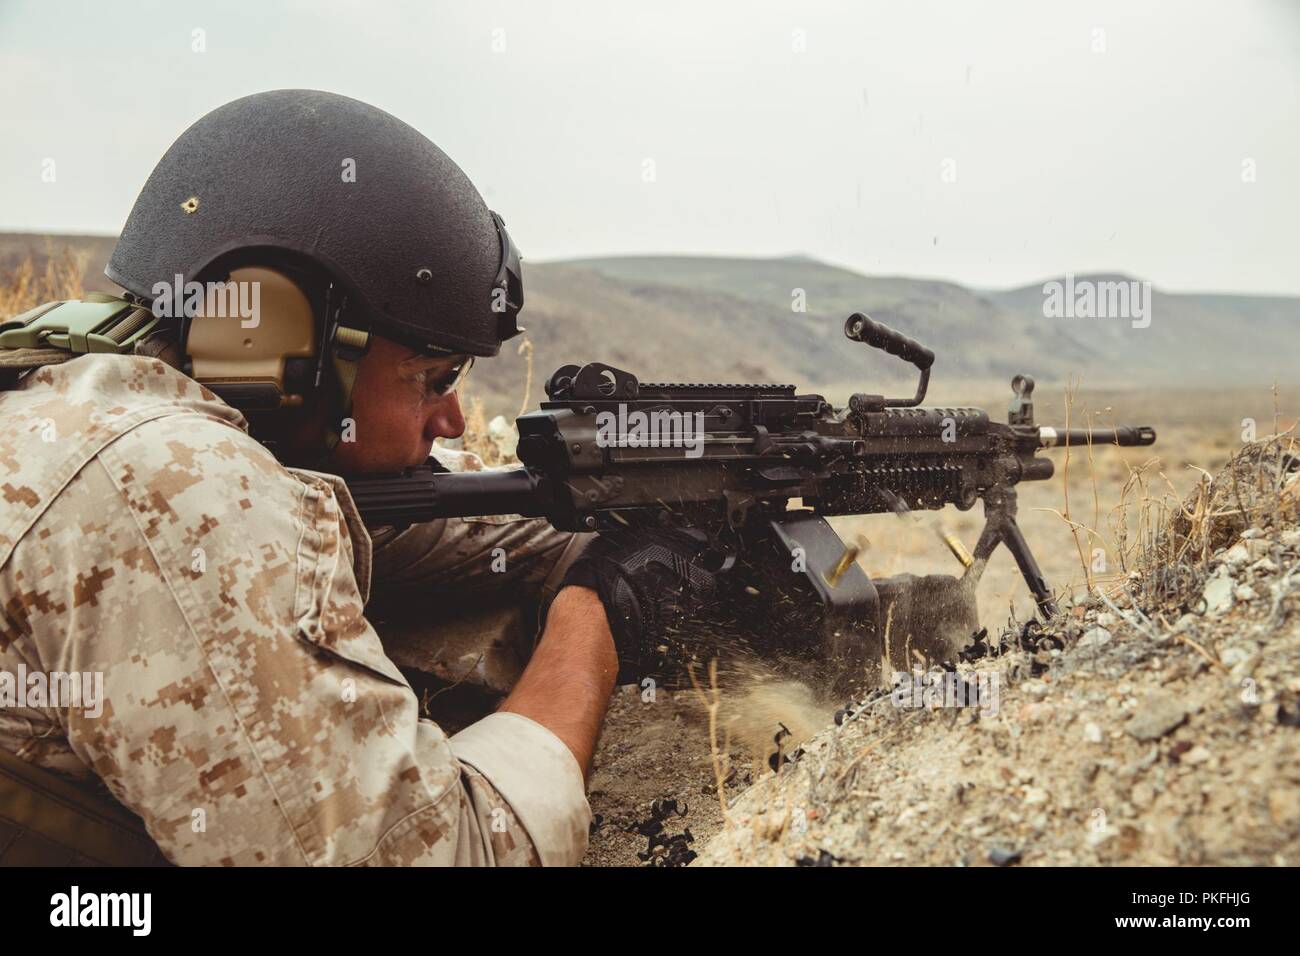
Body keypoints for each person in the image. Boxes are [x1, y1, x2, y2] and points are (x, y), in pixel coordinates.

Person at [0, 89, 713, 866]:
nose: (451, 422)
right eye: (432, 378)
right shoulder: (168, 487)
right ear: (282, 338)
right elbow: (443, 857)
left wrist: (631, 505)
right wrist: (595, 616)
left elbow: (436, 527)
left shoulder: (89, 398)